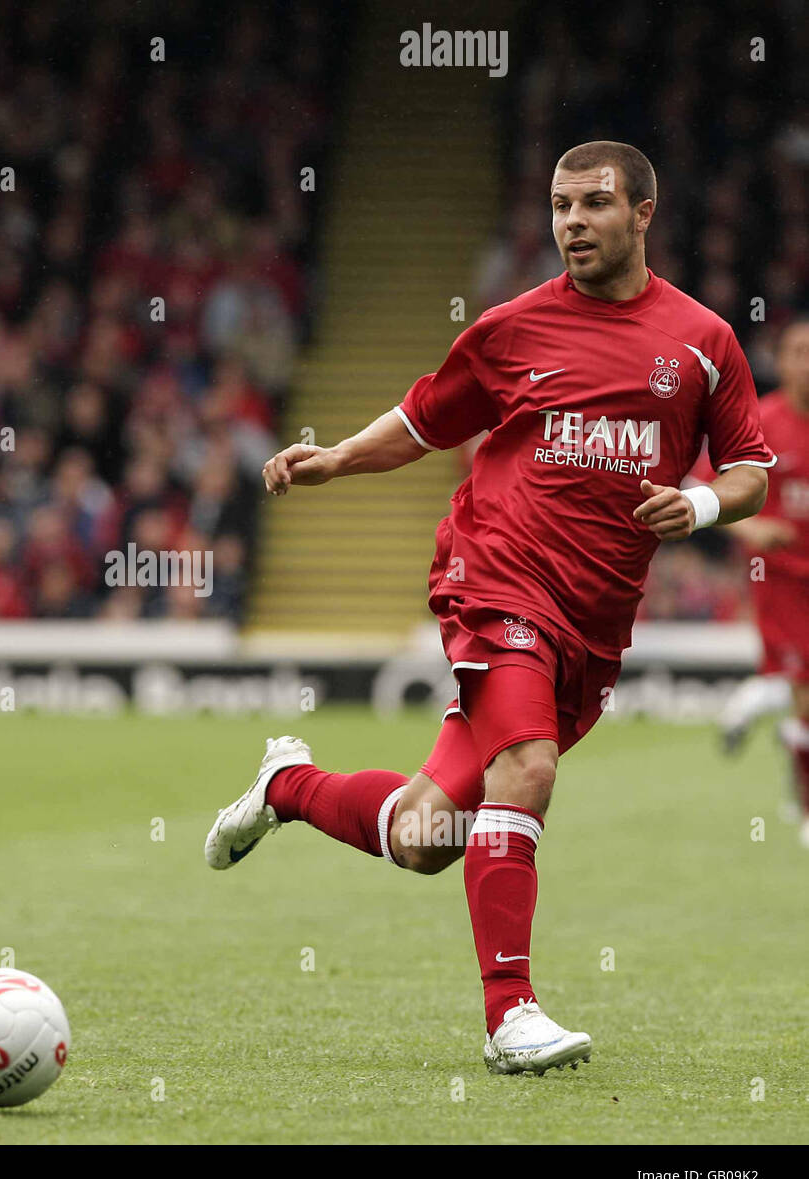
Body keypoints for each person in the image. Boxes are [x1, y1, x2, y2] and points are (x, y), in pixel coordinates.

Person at [204, 141, 774, 1074]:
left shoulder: (703, 343)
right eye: (559, 206)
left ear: (643, 214)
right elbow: (427, 419)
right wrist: (335, 457)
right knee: (530, 769)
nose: (573, 223)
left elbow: (752, 471)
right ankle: (512, 1016)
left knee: (426, 836)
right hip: (497, 576)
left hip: (595, 620)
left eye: (594, 204)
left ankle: (285, 786)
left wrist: (703, 503)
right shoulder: (514, 329)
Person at [721, 318, 809, 846]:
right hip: (783, 585)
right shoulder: (764, 421)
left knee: (800, 698)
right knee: (804, 694)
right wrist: (756, 528)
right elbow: (717, 491)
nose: (807, 361)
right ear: (781, 359)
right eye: (797, 351)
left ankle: (760, 704)